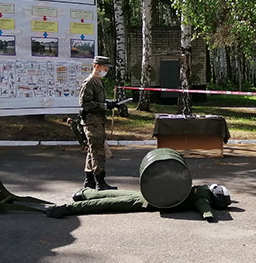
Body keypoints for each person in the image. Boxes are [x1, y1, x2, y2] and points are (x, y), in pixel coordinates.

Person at [45, 184, 232, 222]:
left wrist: (208, 213)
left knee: (112, 195)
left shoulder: (199, 188)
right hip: (149, 203)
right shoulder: (202, 198)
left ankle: (85, 193)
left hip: (150, 193)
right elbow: (204, 209)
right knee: (110, 204)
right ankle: (69, 208)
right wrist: (210, 217)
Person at [79, 56, 118, 190]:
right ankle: (100, 182)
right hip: (92, 122)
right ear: (96, 66)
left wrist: (108, 104)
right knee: (98, 152)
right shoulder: (90, 82)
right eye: (104, 67)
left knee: (92, 151)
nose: (106, 69)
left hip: (98, 121)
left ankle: (89, 181)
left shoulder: (99, 81)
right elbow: (85, 103)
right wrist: (104, 106)